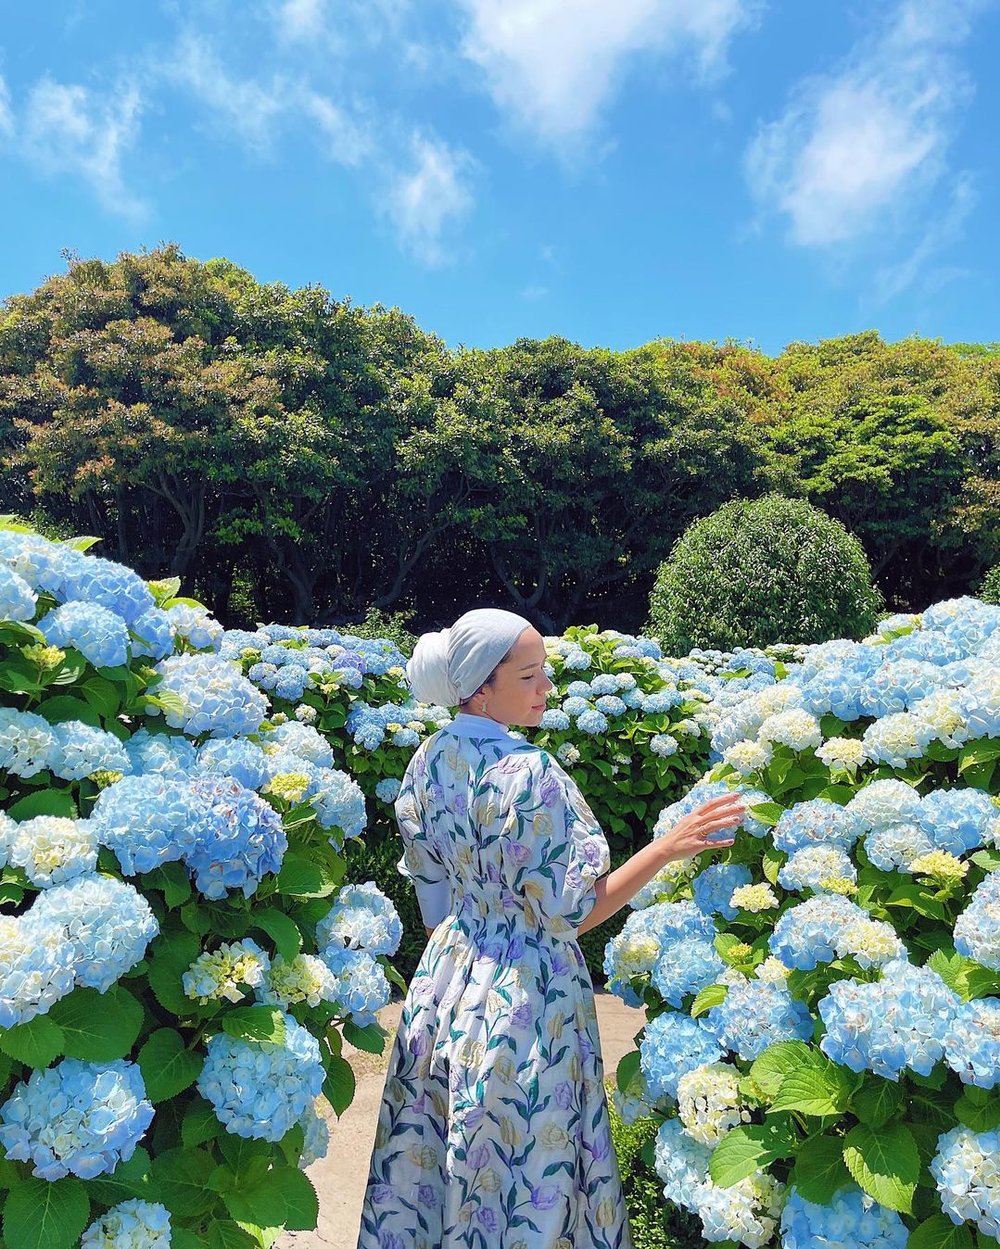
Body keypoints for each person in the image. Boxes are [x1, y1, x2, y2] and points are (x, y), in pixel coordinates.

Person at [356, 608, 744, 1249]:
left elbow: (432, 898)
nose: (547, 690)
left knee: (446, 1156)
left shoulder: (428, 759)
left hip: (447, 981)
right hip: (529, 995)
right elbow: (574, 914)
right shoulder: (530, 776)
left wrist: (474, 946)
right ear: (482, 687)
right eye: (531, 676)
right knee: (531, 1167)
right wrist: (666, 848)